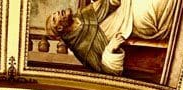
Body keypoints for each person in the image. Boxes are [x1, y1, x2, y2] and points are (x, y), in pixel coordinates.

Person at [45, 0, 174, 74]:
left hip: (126, 7)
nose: (57, 13)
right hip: (132, 24)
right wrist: (109, 50)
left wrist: (111, 2)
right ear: (60, 28)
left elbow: (107, 5)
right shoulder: (81, 48)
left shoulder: (82, 14)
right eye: (55, 18)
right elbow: (105, 69)